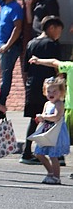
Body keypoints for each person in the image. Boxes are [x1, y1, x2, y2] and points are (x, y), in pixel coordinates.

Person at [22, 16, 64, 164]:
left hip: (33, 86)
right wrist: (61, 87)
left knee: (34, 120)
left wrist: (26, 85)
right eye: (59, 30)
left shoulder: (31, 43)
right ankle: (57, 154)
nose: (59, 34)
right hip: (51, 89)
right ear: (52, 28)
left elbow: (25, 69)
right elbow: (57, 66)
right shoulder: (52, 44)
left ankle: (26, 152)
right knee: (54, 119)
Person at [0, 0, 25, 109]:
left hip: (10, 47)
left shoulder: (15, 7)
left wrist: (8, 45)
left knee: (5, 74)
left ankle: (1, 103)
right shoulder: (4, 4)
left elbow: (18, 28)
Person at [32, 76, 70, 185]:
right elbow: (44, 116)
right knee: (39, 153)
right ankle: (50, 172)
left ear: (61, 92)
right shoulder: (47, 104)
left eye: (54, 91)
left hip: (56, 132)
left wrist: (43, 117)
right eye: (48, 91)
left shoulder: (59, 104)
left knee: (53, 155)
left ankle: (56, 177)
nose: (51, 93)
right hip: (47, 131)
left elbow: (56, 116)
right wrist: (40, 119)